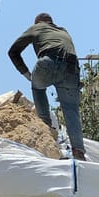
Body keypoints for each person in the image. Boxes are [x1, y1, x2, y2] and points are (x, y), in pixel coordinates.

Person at [8, 13, 86, 160]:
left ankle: (46, 130)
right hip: (71, 69)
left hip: (47, 64)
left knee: (38, 88)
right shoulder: (63, 30)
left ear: (38, 22)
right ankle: (79, 152)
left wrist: (26, 74)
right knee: (71, 110)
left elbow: (13, 51)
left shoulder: (36, 27)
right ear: (51, 22)